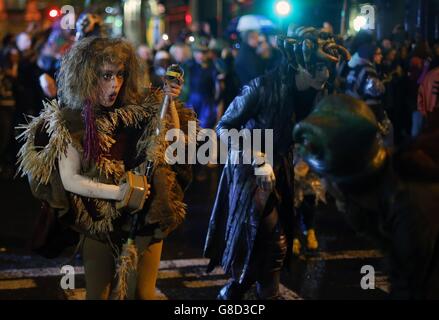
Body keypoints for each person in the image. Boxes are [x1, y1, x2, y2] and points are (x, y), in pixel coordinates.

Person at [17, 37, 197, 300]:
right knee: (97, 294)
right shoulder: (72, 119)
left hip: (145, 217)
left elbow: (170, 139)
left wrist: (168, 102)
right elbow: (70, 178)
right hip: (99, 221)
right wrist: (118, 192)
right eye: (106, 75)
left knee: (144, 294)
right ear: (88, 75)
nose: (115, 84)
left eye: (120, 75)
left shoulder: (139, 107)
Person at [204, 27, 350, 300]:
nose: (325, 73)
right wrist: (258, 159)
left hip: (281, 171)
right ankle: (237, 294)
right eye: (319, 66)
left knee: (267, 250)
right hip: (250, 173)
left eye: (327, 66)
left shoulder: (318, 92)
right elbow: (224, 127)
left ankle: (236, 293)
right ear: (300, 64)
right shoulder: (261, 87)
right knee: (275, 246)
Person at [294, 94, 439, 299]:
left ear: (342, 180)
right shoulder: (393, 179)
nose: (323, 185)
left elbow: (413, 288)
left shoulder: (410, 212)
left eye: (323, 177)